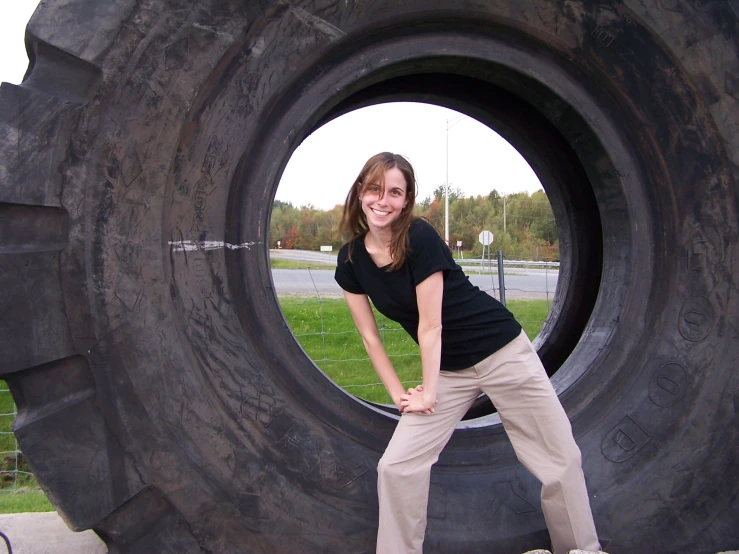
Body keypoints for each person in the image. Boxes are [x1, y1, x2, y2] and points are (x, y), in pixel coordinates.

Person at [333, 152, 603, 554]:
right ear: (359, 192)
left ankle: (581, 549)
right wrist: (398, 394)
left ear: (406, 201)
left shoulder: (420, 238)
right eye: (374, 189)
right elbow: (370, 338)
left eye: (394, 192)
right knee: (397, 466)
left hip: (501, 351)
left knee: (557, 458)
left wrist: (426, 392)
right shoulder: (351, 259)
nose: (382, 200)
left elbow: (431, 324)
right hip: (450, 371)